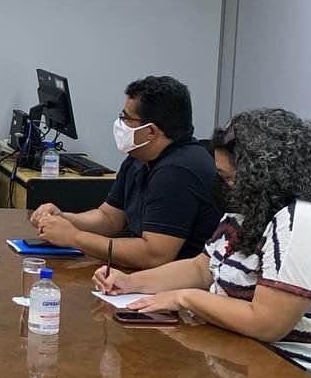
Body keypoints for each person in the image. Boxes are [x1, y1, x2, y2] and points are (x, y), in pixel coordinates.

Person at [100, 108, 311, 378]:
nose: (229, 187)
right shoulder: (251, 212)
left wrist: (186, 298)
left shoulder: (307, 221)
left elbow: (266, 323)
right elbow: (201, 268)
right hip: (276, 362)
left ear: (262, 175)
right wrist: (131, 282)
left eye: (232, 178)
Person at [31, 74, 219, 270]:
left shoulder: (179, 171)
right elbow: (109, 218)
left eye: (126, 118)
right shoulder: (140, 157)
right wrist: (64, 219)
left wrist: (74, 237)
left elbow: (154, 255)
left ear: (151, 131)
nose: (119, 123)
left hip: (182, 283)